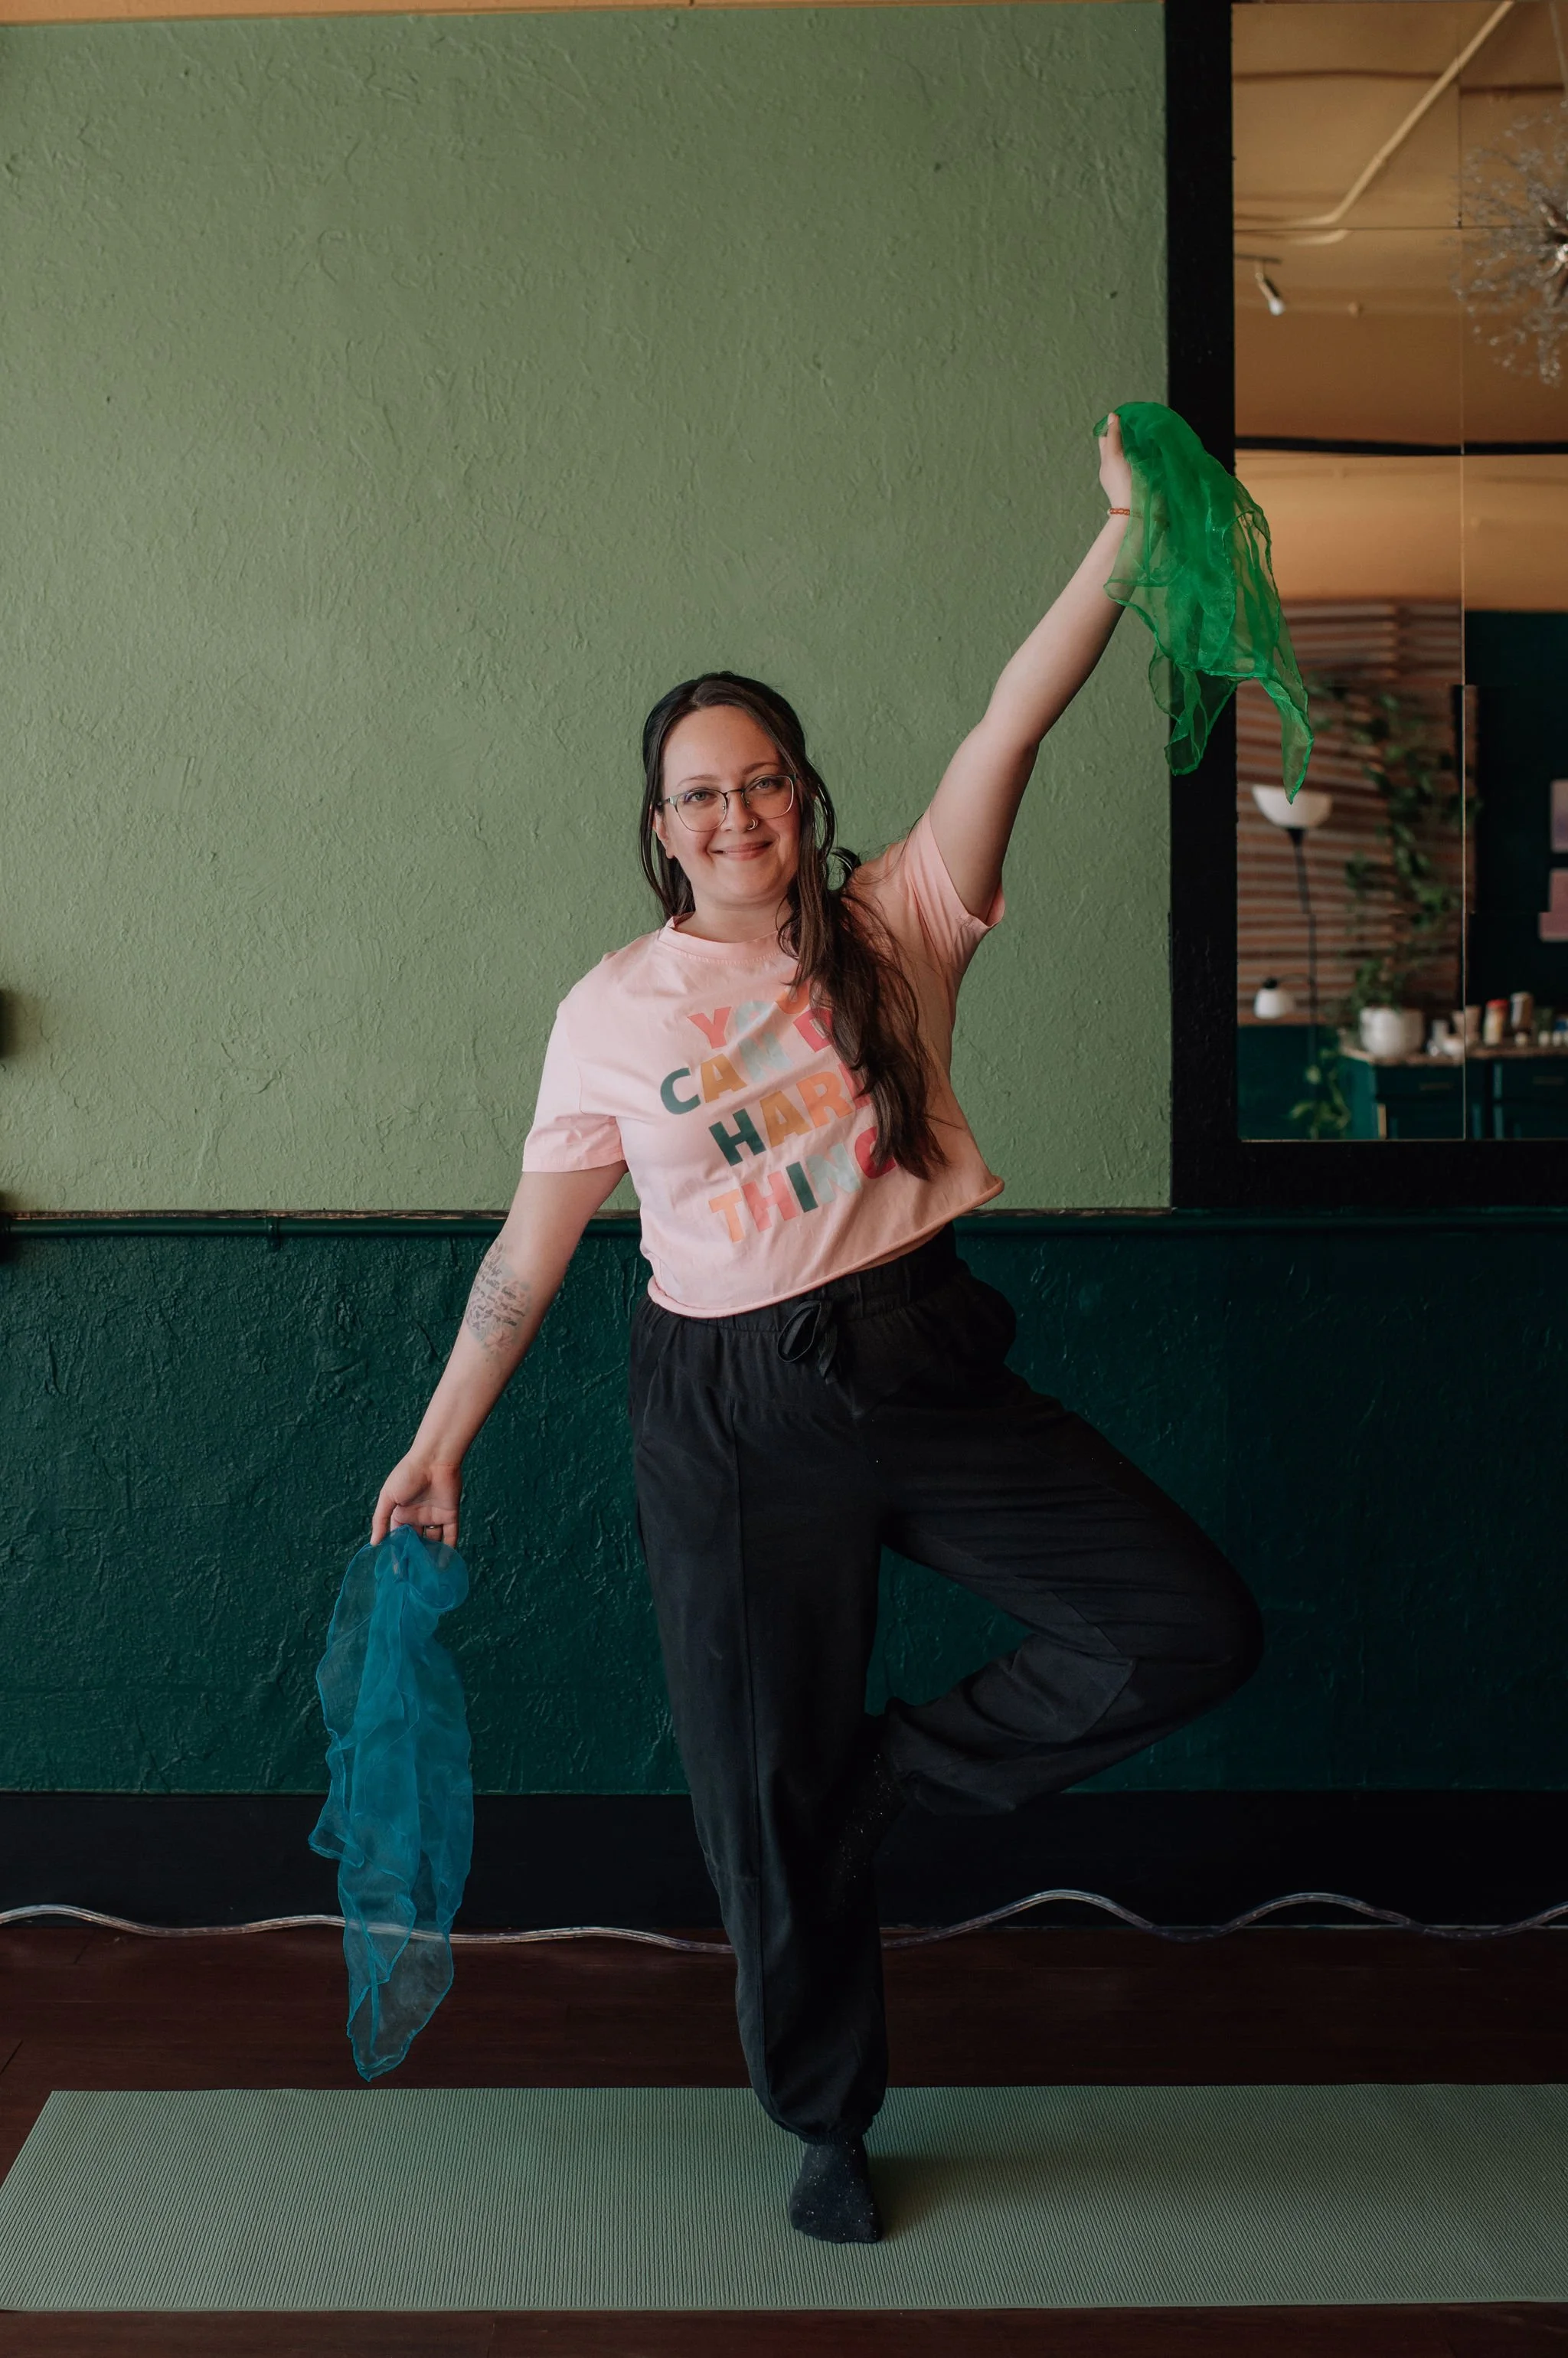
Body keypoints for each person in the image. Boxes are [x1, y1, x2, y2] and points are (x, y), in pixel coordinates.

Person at [371, 412, 1263, 2245]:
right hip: (725, 1413)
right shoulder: (610, 1013)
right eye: (699, 793)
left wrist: (1114, 540)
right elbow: (533, 1251)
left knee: (1183, 1625)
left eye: (762, 779)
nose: (735, 813)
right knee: (751, 1802)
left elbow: (1014, 715)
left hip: (920, 1358)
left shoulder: (901, 923)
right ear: (657, 830)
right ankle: (826, 2116)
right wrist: (445, 1429)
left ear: (803, 795)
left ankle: (896, 1782)